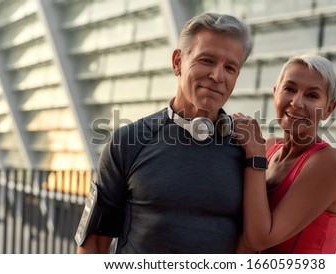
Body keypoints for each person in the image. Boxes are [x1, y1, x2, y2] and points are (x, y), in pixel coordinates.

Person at [74, 12, 253, 253]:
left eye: (230, 67)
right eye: (207, 60)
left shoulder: (248, 151)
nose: (217, 76)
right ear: (178, 62)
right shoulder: (127, 142)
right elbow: (93, 244)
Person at [233, 53, 336, 253]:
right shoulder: (268, 147)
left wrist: (254, 153)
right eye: (289, 89)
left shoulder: (329, 162)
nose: (296, 102)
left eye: (312, 95)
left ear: (329, 109)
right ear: (275, 93)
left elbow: (258, 240)